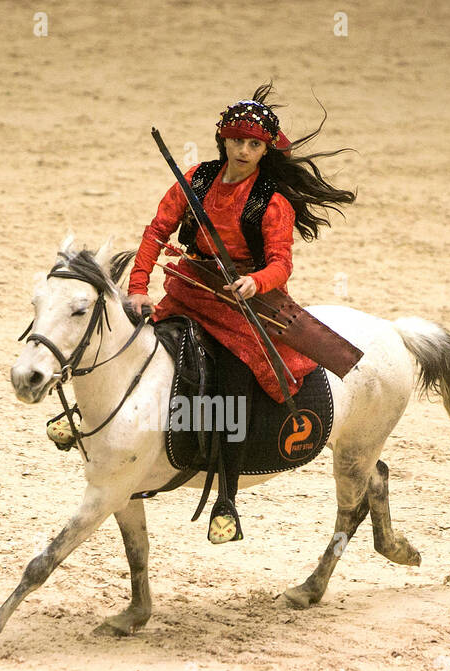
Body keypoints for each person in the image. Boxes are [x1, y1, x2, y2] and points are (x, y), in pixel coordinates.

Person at [126, 83, 357, 544]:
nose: (244, 150)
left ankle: (226, 496)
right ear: (223, 141)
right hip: (191, 287)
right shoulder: (195, 180)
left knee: (232, 379)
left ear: (265, 148)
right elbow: (156, 232)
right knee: (137, 349)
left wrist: (256, 282)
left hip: (242, 304)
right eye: (237, 141)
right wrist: (137, 288)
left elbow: (281, 262)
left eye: (254, 144)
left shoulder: (271, 202)